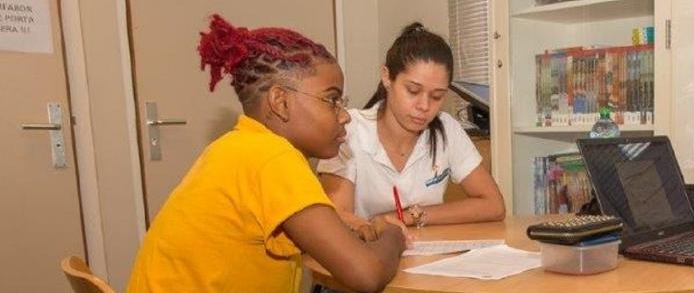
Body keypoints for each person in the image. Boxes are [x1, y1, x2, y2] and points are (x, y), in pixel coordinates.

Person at [129, 15, 406, 293]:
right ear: (280, 102)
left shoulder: (237, 146)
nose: (344, 116)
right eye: (332, 100)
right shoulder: (273, 158)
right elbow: (366, 274)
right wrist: (393, 234)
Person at [318, 22, 504, 241]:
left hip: (425, 261)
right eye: (413, 91)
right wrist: (373, 226)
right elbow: (337, 218)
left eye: (436, 96)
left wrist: (408, 217)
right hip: (367, 259)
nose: (424, 106)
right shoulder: (348, 130)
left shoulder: (446, 129)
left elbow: (494, 205)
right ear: (387, 77)